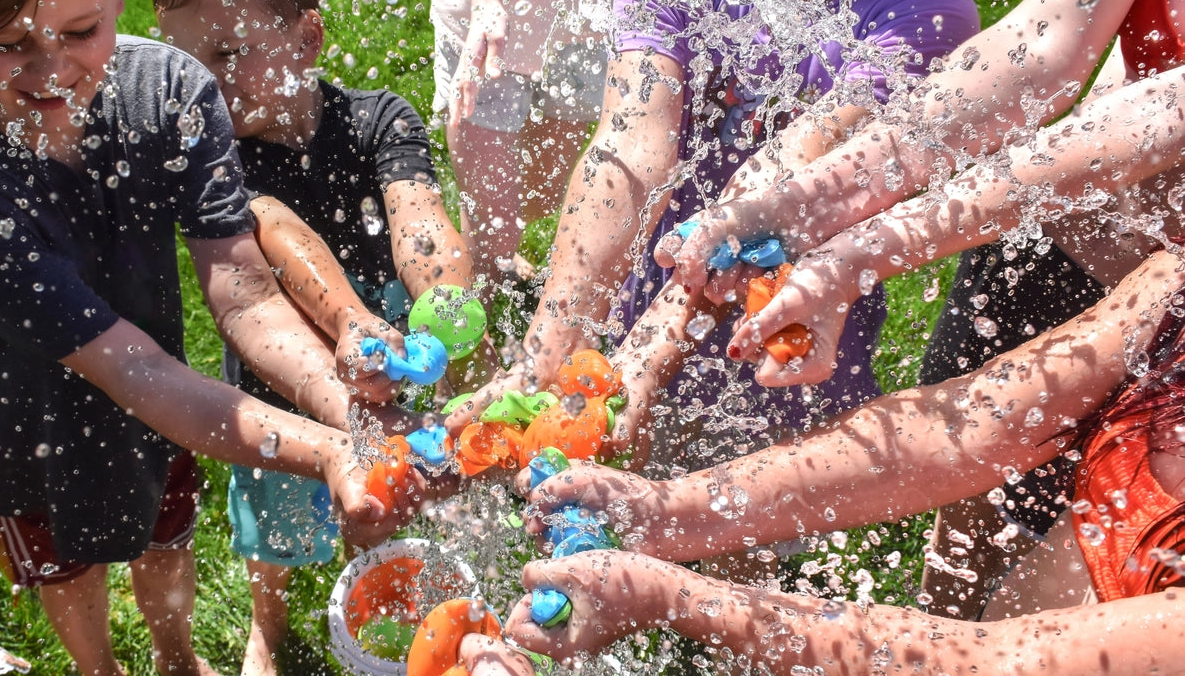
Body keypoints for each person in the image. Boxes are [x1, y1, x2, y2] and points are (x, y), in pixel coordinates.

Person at [0, 0, 421, 675]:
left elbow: (244, 293)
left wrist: (344, 405)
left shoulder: (171, 94)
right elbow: (130, 370)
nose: (50, 70)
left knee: (164, 530)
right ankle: (98, 665)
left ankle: (176, 654)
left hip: (166, 402)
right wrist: (329, 450)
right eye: (5, 43)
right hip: (23, 424)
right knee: (69, 571)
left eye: (80, 28)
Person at [656, 0, 1185, 617]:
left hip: (1168, 327)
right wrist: (822, 206)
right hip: (1063, 249)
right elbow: (1045, 45)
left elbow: (1159, 119)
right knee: (956, 586)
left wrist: (859, 237)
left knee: (1043, 631)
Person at [449, 0, 997, 483]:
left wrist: (655, 349)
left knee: (737, 555)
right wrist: (545, 357)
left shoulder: (930, 18)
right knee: (599, 525)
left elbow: (787, 172)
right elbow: (627, 154)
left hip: (785, 350)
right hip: (639, 299)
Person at [505, 248, 1185, 671]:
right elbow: (968, 425)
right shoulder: (1175, 280)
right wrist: (664, 512)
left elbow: (994, 661)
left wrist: (671, 596)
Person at [153, 0, 486, 676]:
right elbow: (279, 229)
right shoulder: (218, 160)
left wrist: (444, 303)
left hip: (385, 367)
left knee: (379, 494)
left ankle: (384, 587)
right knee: (272, 526)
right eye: (190, 62)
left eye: (228, 53)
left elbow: (418, 220)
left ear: (307, 38)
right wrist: (353, 321)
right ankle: (267, 627)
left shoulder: (377, 119)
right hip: (286, 382)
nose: (206, 81)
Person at [432, 0, 697, 294]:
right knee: (496, 221)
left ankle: (498, 247)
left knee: (550, 185)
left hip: (592, 4)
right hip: (492, 10)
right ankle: (479, 314)